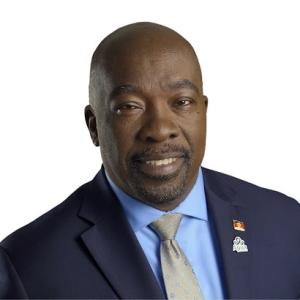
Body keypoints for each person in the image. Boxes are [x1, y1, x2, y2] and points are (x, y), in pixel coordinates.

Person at [0, 22, 299, 299]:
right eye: (130, 107)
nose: (159, 130)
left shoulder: (285, 222)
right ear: (94, 126)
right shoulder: (27, 265)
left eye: (181, 102)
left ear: (203, 111)